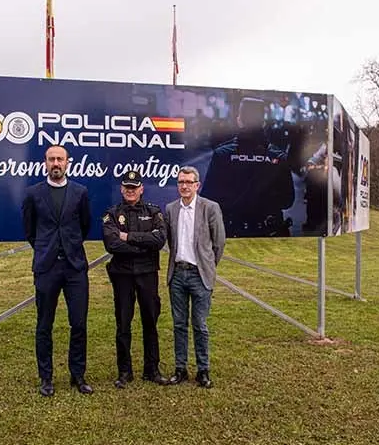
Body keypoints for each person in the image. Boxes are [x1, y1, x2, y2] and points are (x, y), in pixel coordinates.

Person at [21, 145, 93, 397]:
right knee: (44, 325)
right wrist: (46, 249)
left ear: (67, 163)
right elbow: (30, 230)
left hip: (74, 268)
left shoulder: (80, 192)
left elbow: (85, 225)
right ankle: (46, 378)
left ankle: (78, 375)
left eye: (60, 159)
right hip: (46, 267)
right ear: (45, 163)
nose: (56, 163)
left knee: (79, 324)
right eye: (51, 159)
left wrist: (69, 247)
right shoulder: (33, 194)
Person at [102, 170, 169, 389]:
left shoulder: (153, 212)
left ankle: (152, 369)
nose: (130, 191)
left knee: (150, 321)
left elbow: (159, 239)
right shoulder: (112, 214)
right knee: (123, 324)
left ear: (141, 189)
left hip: (147, 275)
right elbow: (112, 244)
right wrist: (142, 245)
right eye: (127, 187)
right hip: (122, 276)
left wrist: (129, 237)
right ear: (122, 189)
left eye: (134, 187)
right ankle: (124, 372)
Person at [164, 166, 226, 388]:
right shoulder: (171, 209)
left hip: (200, 275)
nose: (184, 186)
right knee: (179, 324)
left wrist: (207, 266)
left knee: (200, 324)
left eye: (189, 182)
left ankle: (203, 370)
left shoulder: (210, 208)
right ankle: (180, 369)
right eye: (181, 182)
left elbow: (218, 243)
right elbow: (170, 241)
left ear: (197, 185)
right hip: (178, 275)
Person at [201, 96, 295, 237]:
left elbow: (208, 197)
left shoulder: (222, 154)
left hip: (231, 230)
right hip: (268, 230)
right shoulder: (278, 156)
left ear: (240, 120)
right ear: (263, 122)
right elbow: (287, 200)